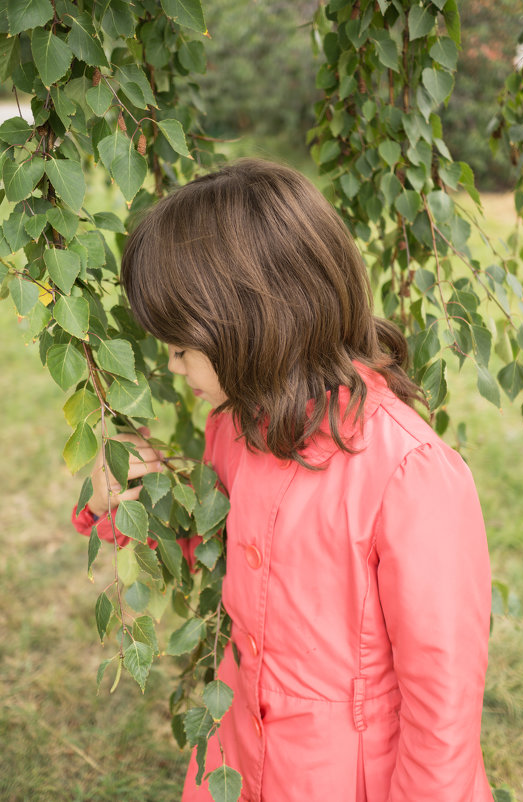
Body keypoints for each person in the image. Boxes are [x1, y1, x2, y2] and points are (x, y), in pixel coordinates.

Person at [73, 159, 493, 801]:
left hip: (343, 776)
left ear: (253, 320)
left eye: (183, 341)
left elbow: (443, 703)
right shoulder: (234, 426)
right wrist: (136, 503)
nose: (171, 359)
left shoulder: (408, 472)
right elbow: (230, 567)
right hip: (238, 753)